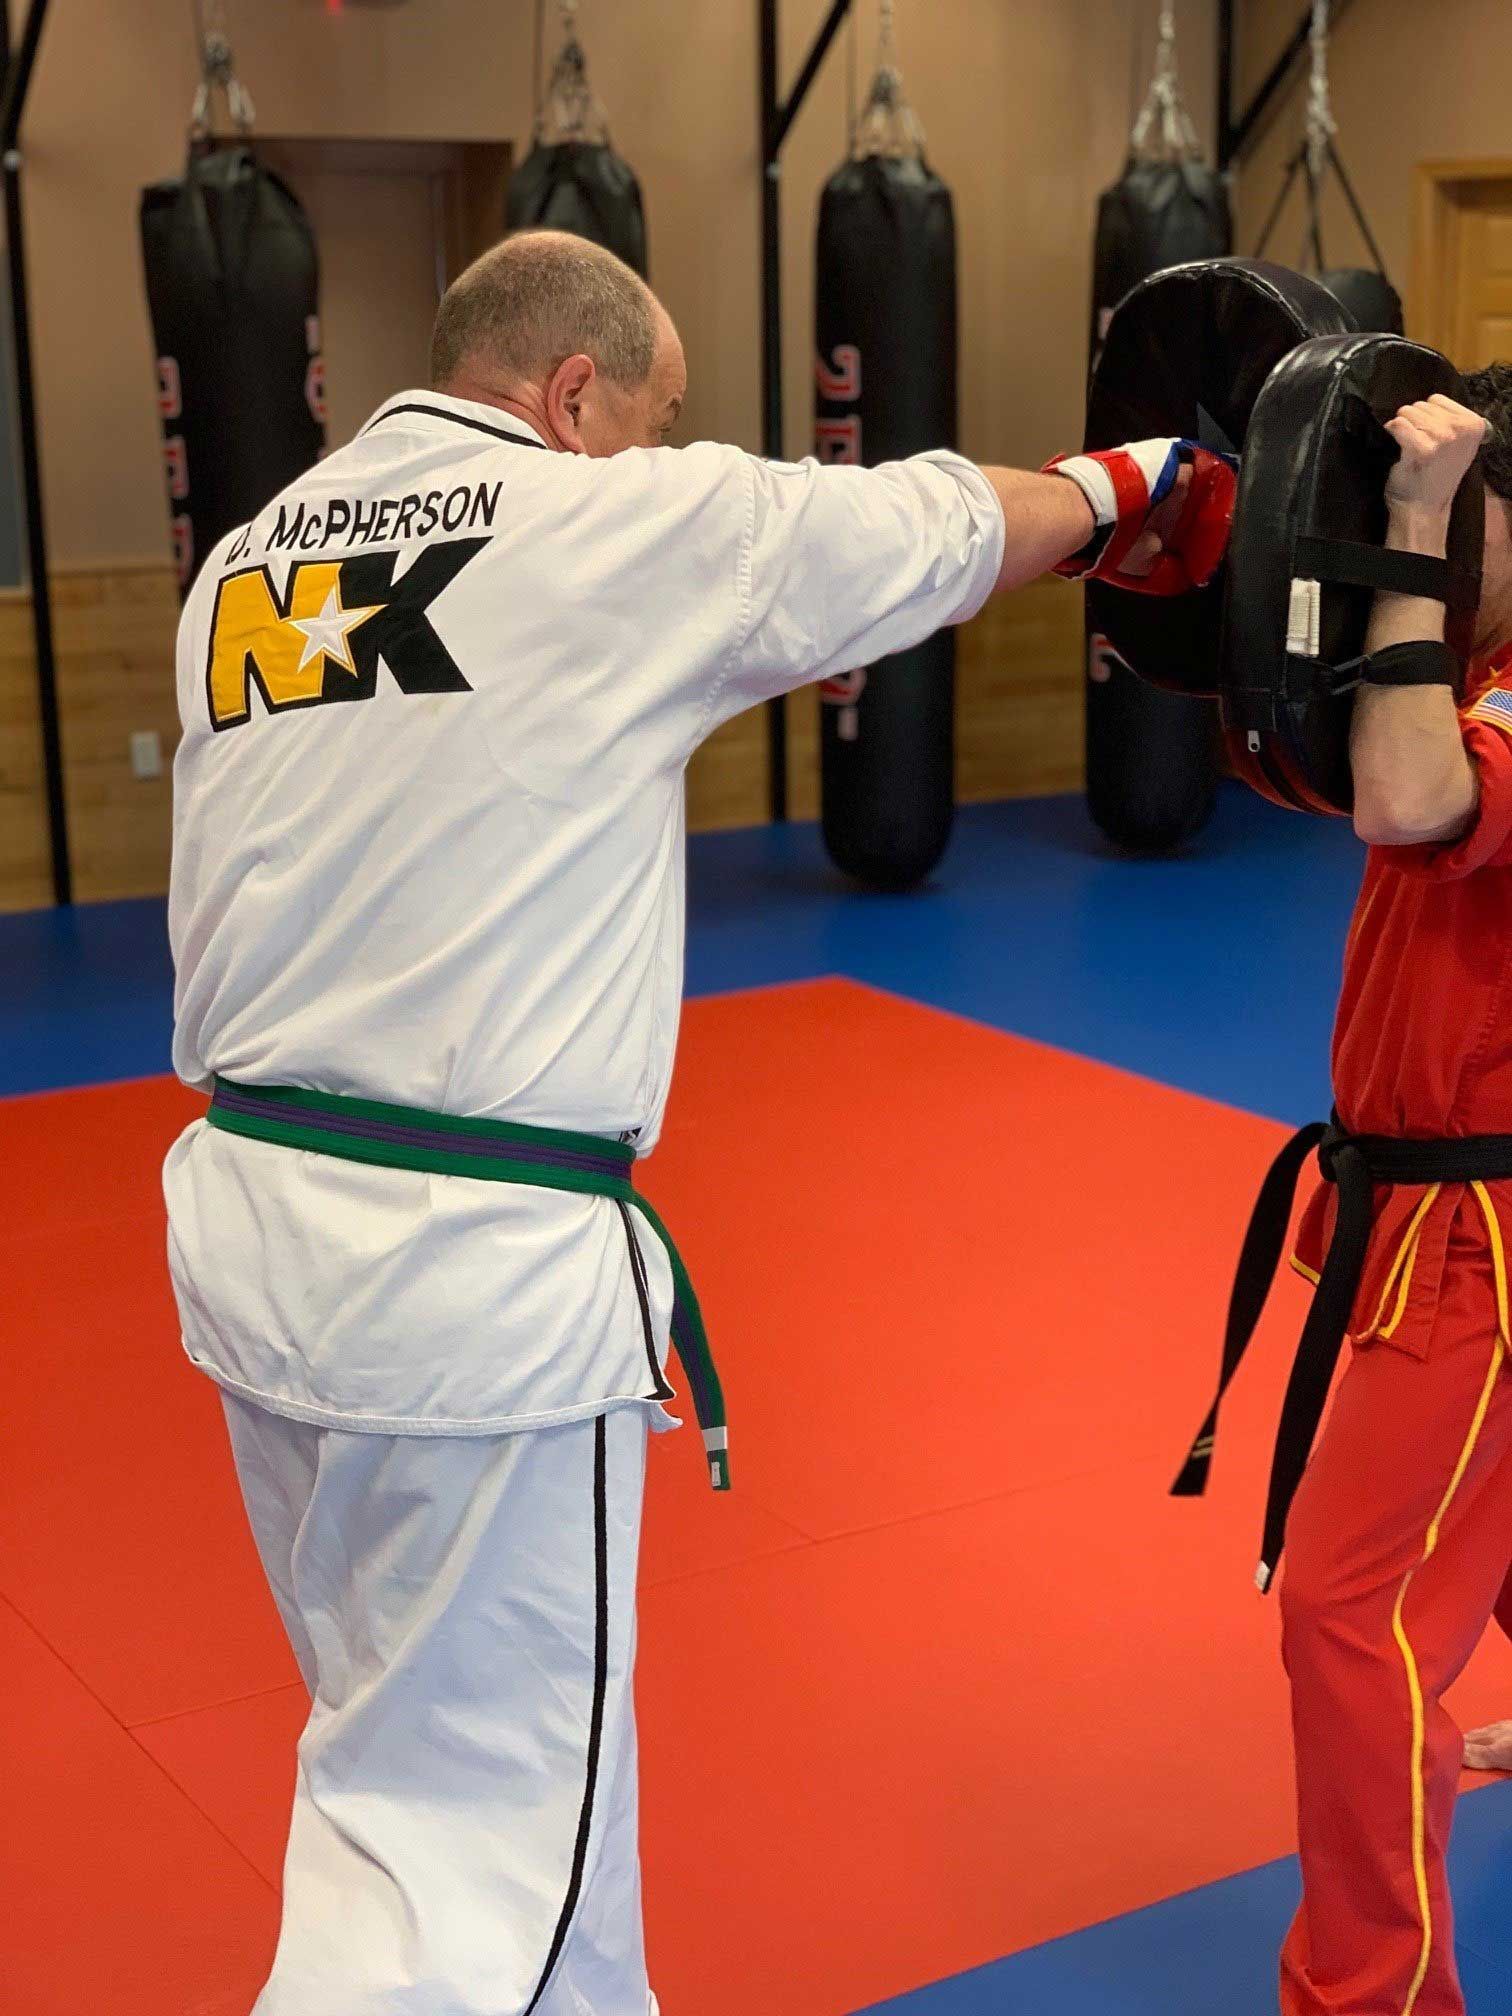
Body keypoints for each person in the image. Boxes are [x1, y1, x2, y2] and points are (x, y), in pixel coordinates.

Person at [163, 227, 1204, 2015]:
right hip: (462, 1293)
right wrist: (1142, 485)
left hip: (254, 1250)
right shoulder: (598, 523)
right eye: (656, 415)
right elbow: (934, 527)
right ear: (573, 398)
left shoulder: (249, 562)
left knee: (428, 1773)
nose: (667, 446)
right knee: (464, 1863)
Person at [1272, 365, 1512, 2016]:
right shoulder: (1471, 662)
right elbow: (1317, 761)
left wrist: (1417, 531)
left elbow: (1410, 800)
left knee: (1346, 1608)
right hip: (1417, 1202)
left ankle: (1373, 1995)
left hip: (1484, 1239)